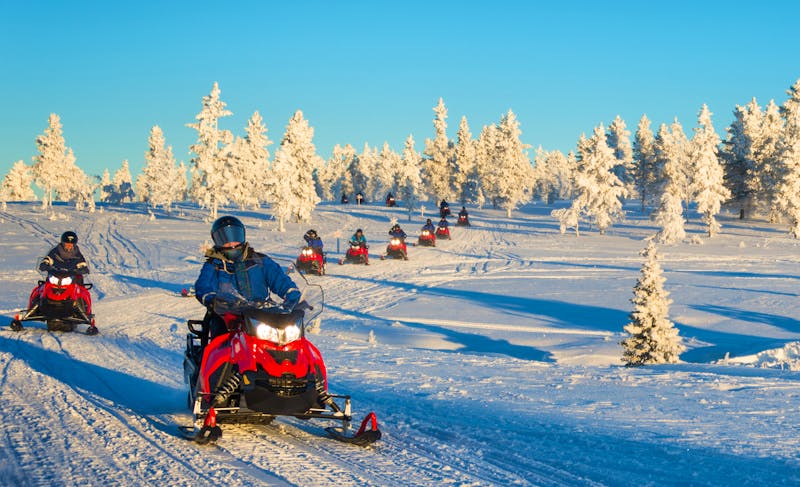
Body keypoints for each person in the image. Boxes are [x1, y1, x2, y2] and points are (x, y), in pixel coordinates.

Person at [195, 216, 302, 339]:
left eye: (235, 237)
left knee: (288, 337)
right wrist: (212, 299)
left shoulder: (260, 260)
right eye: (225, 239)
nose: (231, 243)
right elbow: (203, 285)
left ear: (242, 236)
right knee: (220, 339)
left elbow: (280, 280)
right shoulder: (214, 265)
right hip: (228, 314)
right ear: (217, 241)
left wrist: (292, 295)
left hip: (262, 312)